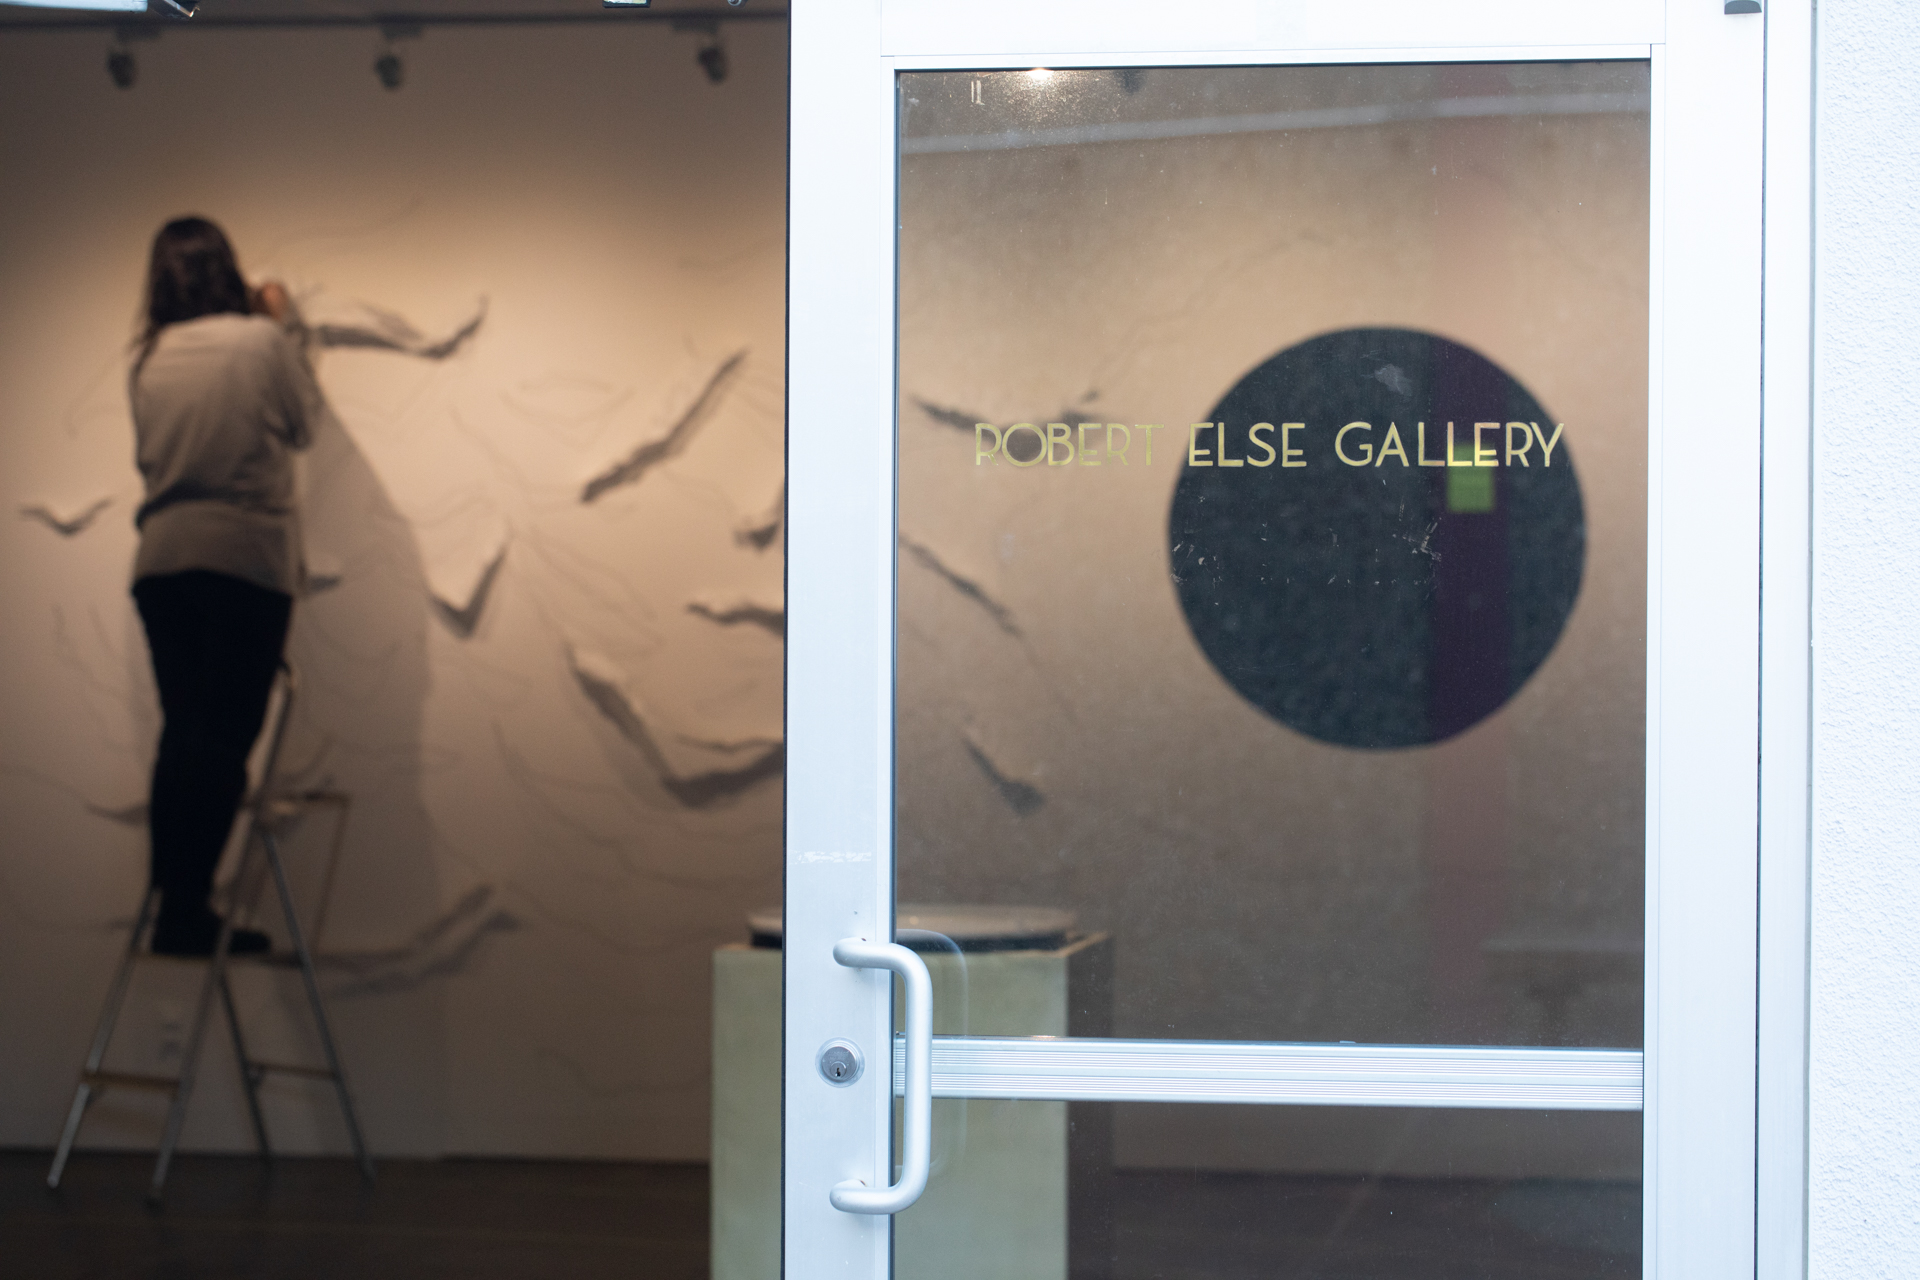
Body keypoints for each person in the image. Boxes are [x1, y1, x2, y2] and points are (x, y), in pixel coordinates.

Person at [129, 216, 322, 957]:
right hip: (242, 560)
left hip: (161, 564)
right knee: (225, 739)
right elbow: (304, 424)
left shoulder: (147, 359)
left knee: (182, 732)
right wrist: (278, 323)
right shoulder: (258, 342)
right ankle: (186, 911)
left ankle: (171, 897)